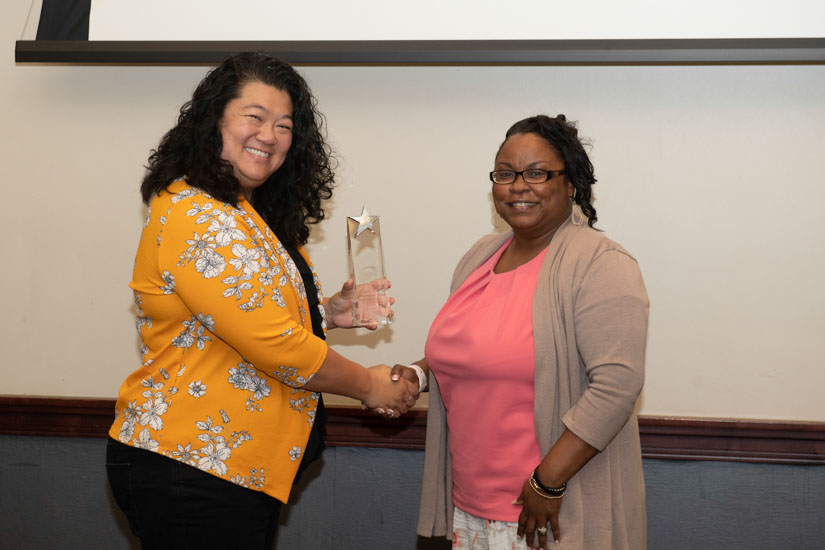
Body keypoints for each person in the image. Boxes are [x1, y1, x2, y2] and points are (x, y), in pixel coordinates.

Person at [105, 52, 418, 549]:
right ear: (215, 121)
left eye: (285, 125)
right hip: (192, 465)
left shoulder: (245, 212)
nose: (269, 135)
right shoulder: (198, 213)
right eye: (254, 116)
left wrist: (326, 314)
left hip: (230, 466)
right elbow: (276, 346)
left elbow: (247, 319)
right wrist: (369, 386)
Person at [392, 115, 649, 549]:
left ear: (571, 184)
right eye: (506, 174)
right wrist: (416, 376)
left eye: (537, 173)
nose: (518, 186)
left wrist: (547, 483)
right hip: (470, 508)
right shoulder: (480, 256)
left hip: (550, 510)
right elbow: (472, 355)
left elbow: (617, 387)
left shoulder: (600, 263)